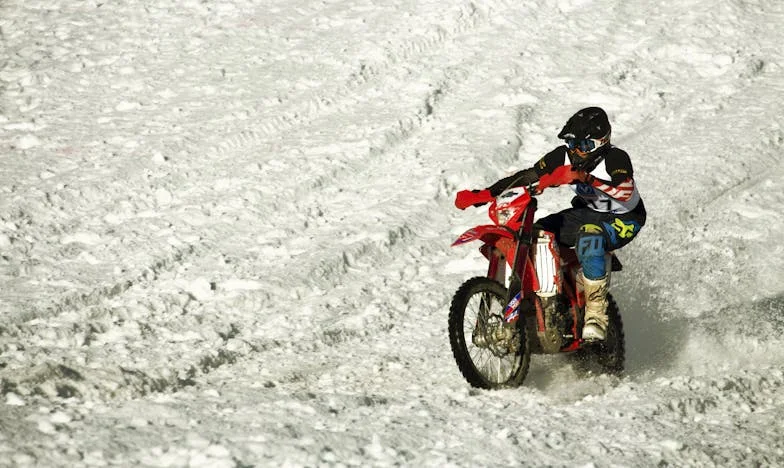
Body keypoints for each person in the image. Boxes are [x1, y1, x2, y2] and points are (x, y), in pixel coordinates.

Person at [469, 107, 646, 341]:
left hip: (624, 219)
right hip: (586, 212)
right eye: (573, 144)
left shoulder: (615, 158)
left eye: (584, 146)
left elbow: (624, 191)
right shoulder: (564, 155)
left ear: (601, 143)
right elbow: (530, 175)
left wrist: (587, 178)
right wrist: (485, 194)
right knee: (534, 233)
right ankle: (549, 296)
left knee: (589, 237)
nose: (577, 152)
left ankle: (595, 314)